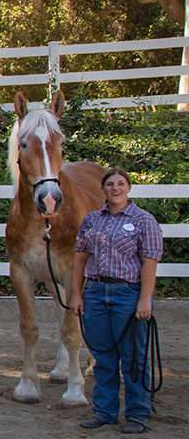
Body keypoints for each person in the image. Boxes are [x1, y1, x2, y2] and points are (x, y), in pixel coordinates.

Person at [71, 168, 163, 434]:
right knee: (103, 356)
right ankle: (105, 411)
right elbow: (80, 258)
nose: (115, 188)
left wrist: (145, 299)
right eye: (110, 184)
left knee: (133, 356)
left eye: (120, 183)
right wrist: (77, 293)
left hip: (127, 292)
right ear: (104, 189)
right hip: (97, 292)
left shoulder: (144, 221)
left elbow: (149, 262)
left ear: (128, 188)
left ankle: (137, 413)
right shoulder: (91, 220)